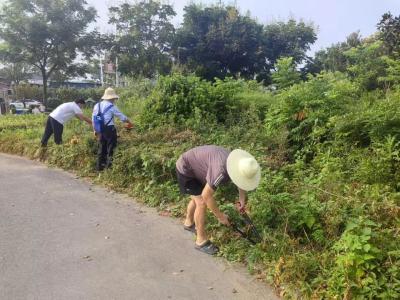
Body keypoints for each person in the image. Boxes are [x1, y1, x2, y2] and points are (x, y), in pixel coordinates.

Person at [176, 145, 261, 255]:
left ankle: (188, 223)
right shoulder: (221, 170)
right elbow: (206, 195)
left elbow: (241, 180)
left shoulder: (237, 162)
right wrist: (220, 216)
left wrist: (242, 200)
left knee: (196, 197)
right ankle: (200, 241)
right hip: (186, 169)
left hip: (197, 168)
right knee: (201, 201)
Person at [93, 87, 133, 171]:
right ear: (112, 98)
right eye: (114, 98)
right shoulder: (111, 106)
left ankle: (99, 167)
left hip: (100, 128)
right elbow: (122, 117)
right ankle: (109, 168)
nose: (114, 100)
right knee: (111, 147)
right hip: (109, 129)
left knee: (102, 147)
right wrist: (130, 122)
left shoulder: (97, 105)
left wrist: (95, 130)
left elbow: (94, 118)